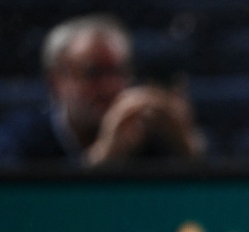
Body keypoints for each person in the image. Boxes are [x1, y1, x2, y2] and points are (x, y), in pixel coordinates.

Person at [0, 13, 204, 166]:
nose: (110, 87)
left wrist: (184, 141)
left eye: (119, 72)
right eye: (93, 73)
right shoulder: (20, 137)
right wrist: (105, 156)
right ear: (56, 81)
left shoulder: (146, 136)